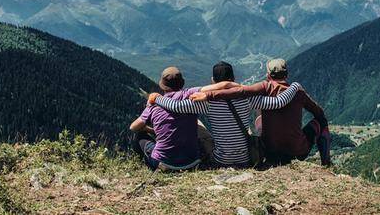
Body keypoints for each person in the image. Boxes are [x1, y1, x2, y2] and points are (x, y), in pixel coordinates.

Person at [148, 61, 302, 168]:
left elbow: (176, 107)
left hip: (221, 160)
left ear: (213, 81)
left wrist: (158, 98)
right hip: (246, 158)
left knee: (198, 124)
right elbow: (278, 102)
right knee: (249, 129)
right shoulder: (247, 99)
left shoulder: (207, 102)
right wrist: (294, 86)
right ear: (234, 79)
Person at [191, 58, 332, 166]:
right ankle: (326, 163)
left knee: (259, 111)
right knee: (321, 122)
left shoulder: (264, 87)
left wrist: (209, 95)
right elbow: (319, 112)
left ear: (268, 75)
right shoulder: (298, 92)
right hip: (296, 150)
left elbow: (241, 91)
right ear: (287, 74)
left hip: (270, 151)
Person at [129, 66, 236, 170]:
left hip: (163, 163)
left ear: (162, 85)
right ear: (182, 83)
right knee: (196, 124)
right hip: (192, 162)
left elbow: (133, 127)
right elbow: (218, 86)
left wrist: (151, 130)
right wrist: (233, 85)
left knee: (139, 136)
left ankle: (146, 166)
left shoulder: (153, 105)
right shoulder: (189, 94)